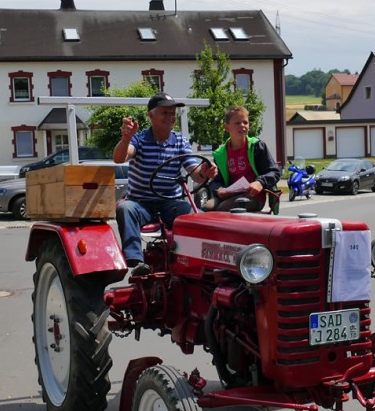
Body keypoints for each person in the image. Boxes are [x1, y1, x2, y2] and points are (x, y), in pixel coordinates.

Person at [114, 93, 214, 275]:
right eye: (165, 113)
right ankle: (136, 262)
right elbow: (119, 157)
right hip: (140, 203)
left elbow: (195, 173)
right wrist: (126, 138)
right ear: (151, 116)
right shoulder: (139, 140)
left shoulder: (180, 141)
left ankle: (191, 259)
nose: (170, 117)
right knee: (125, 208)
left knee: (193, 214)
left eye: (172, 113)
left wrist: (205, 172)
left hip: (169, 203)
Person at [203, 105, 281, 212]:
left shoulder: (257, 146)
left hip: (253, 196)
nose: (242, 126)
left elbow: (274, 172)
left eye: (245, 122)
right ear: (226, 127)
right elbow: (216, 180)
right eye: (237, 123)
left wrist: (260, 183)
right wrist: (218, 189)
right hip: (229, 196)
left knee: (223, 209)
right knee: (206, 208)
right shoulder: (220, 154)